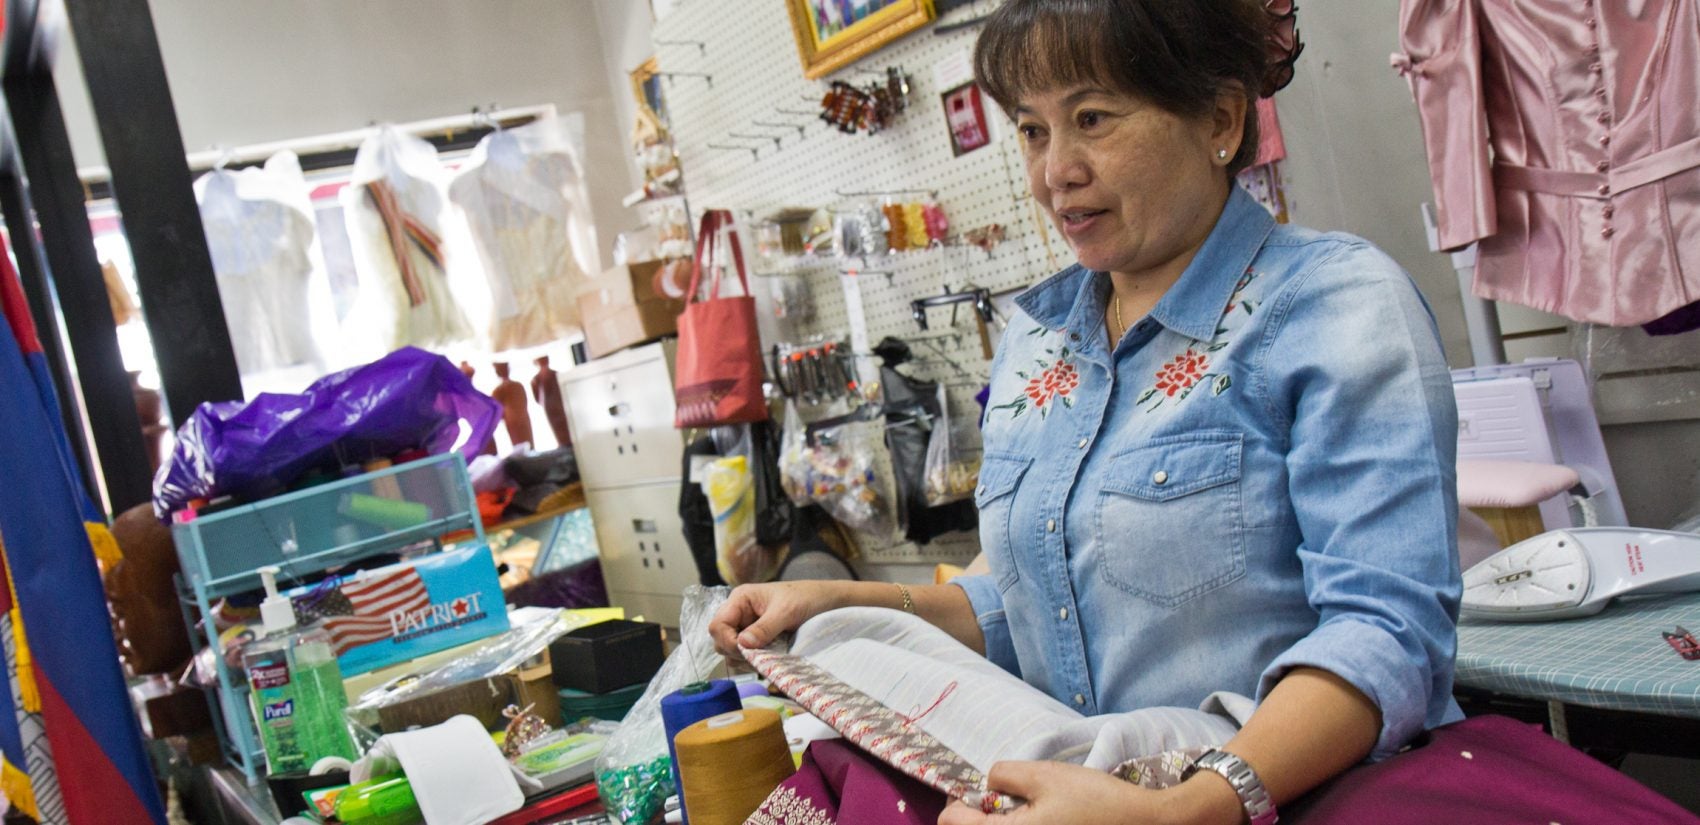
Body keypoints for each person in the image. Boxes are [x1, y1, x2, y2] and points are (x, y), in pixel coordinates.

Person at [710, 1, 1463, 822]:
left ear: (1219, 117)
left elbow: (1385, 634)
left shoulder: (1334, 306)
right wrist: (850, 605)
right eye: (1032, 130)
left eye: (1092, 118)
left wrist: (1182, 811)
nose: (1053, 172)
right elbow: (1033, 607)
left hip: (1282, 798)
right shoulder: (1038, 340)